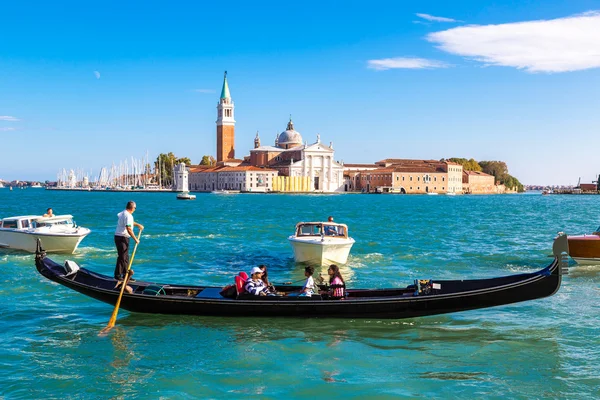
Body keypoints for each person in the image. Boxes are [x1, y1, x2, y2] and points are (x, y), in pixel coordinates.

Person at [114, 201, 144, 292]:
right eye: (135, 208)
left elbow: (129, 222)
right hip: (122, 237)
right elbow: (129, 228)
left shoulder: (124, 213)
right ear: (132, 208)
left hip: (120, 237)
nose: (135, 209)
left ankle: (126, 275)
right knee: (122, 257)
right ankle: (118, 276)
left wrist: (138, 224)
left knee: (125, 257)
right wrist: (136, 239)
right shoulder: (128, 215)